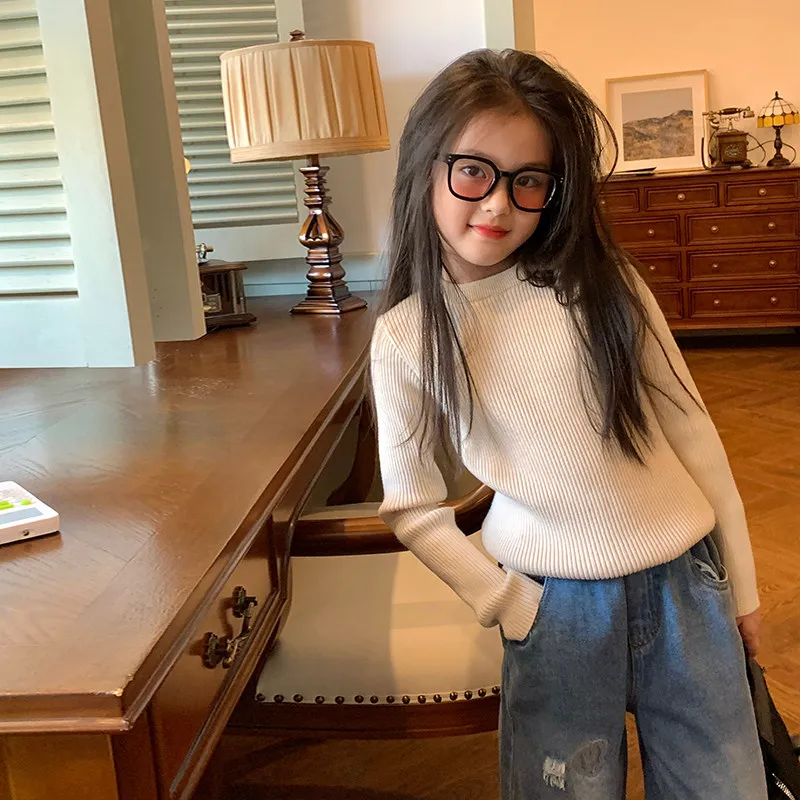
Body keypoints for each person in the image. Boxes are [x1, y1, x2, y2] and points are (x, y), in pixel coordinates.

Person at [368, 48, 767, 799]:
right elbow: (412, 508)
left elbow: (695, 438)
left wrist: (741, 589)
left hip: (686, 585)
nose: (497, 205)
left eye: (528, 181)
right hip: (554, 609)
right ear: (425, 165)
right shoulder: (405, 336)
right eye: (473, 171)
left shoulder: (606, 286)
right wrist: (511, 606)